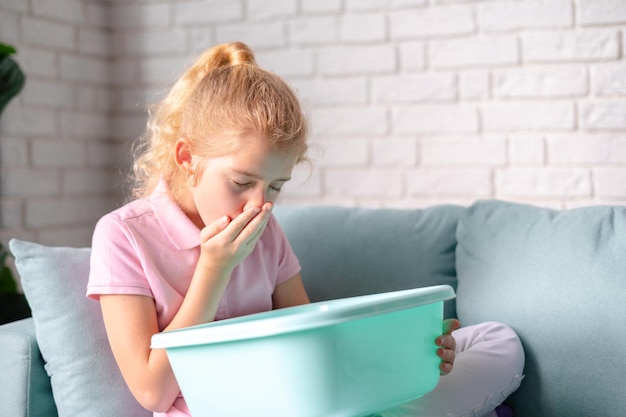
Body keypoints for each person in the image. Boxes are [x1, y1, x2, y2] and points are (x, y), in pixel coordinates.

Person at [87, 41, 524, 417]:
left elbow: (314, 342)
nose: (260, 204)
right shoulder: (123, 236)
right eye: (242, 182)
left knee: (497, 341)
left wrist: (413, 356)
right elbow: (152, 391)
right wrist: (213, 270)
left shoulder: (267, 231)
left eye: (276, 186)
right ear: (187, 158)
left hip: (306, 400)